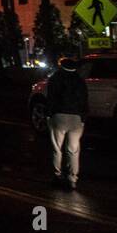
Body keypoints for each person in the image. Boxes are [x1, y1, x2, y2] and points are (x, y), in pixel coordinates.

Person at [45, 56, 88, 190]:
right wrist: (83, 118)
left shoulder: (55, 78)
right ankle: (72, 178)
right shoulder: (80, 81)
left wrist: (48, 115)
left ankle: (57, 175)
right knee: (73, 150)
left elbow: (50, 98)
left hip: (59, 116)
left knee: (57, 148)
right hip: (76, 118)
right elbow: (85, 101)